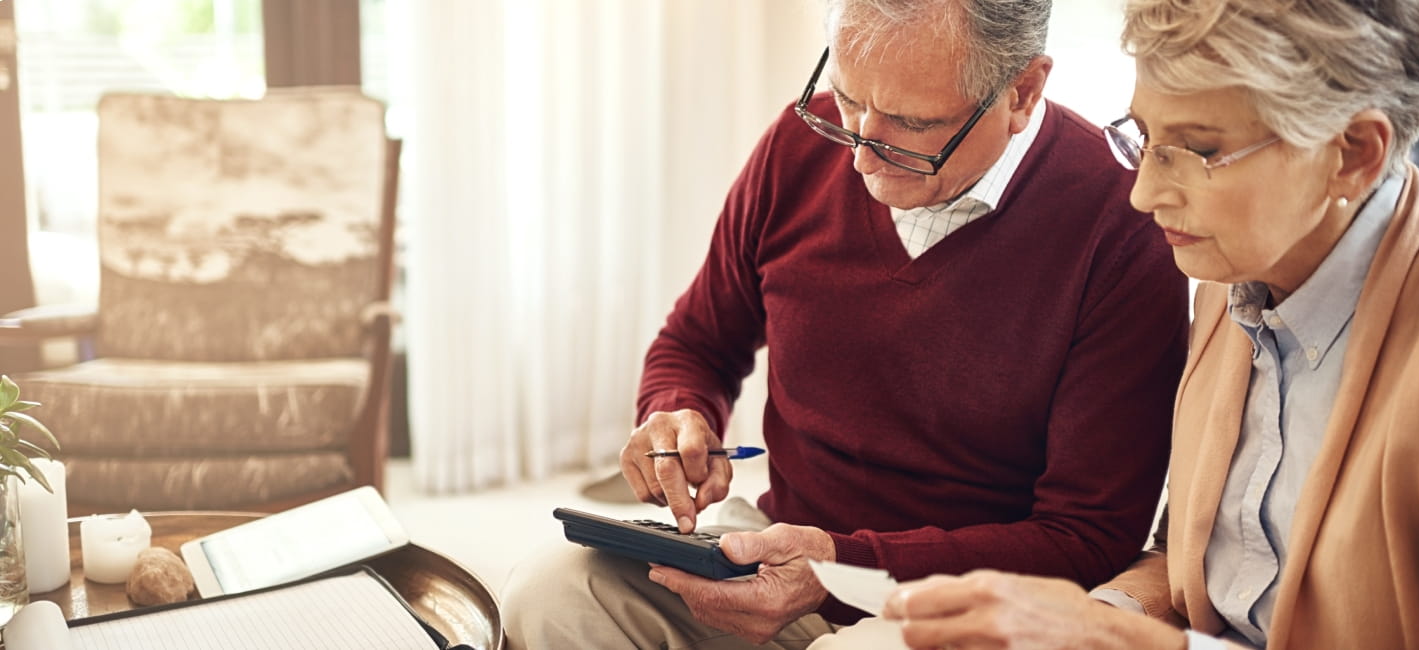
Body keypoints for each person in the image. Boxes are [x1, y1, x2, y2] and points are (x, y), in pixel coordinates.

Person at [501, 0, 1189, 647]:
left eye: (911, 127)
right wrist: (676, 414)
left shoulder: (1123, 221)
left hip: (961, 599)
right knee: (549, 593)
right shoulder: (801, 146)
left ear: (1022, 92)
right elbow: (697, 342)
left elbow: (1086, 535)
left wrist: (841, 560)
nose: (859, 153)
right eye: (850, 100)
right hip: (780, 544)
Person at [808, 0, 1419, 648]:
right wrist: (1098, 617)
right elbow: (1192, 566)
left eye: (1196, 149)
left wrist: (1113, 639)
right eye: (1143, 137)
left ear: (1355, 153)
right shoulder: (1235, 290)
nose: (1143, 194)